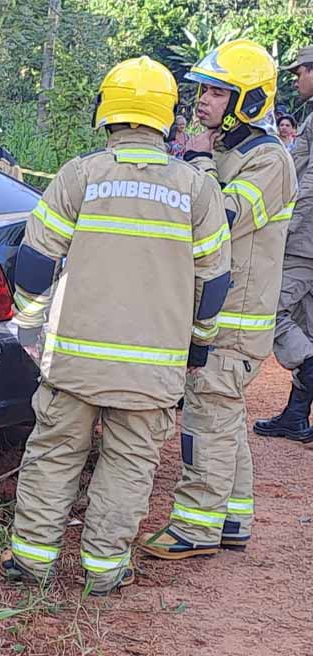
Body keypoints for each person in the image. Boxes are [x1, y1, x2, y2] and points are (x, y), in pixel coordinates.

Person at [1, 57, 230, 595]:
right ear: (166, 115)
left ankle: (31, 563)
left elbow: (33, 264)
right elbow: (214, 284)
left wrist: (29, 330)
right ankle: (104, 572)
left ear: (108, 110)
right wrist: (197, 347)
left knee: (55, 456)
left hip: (74, 362)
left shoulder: (81, 175)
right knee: (129, 467)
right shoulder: (197, 189)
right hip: (152, 372)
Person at [141, 40, 297, 559]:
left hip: (234, 322)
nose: (202, 100)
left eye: (216, 91)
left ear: (248, 100)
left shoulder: (269, 159)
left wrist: (201, 161)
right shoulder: (228, 151)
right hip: (218, 313)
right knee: (224, 418)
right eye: (203, 90)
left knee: (205, 423)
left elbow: (222, 222)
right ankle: (231, 521)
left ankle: (195, 530)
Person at [254, 46, 313, 443]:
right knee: (308, 323)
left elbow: (309, 183)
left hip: (304, 242)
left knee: (268, 310)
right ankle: (295, 415)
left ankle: (306, 367)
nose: (296, 80)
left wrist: (286, 228)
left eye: (300, 72)